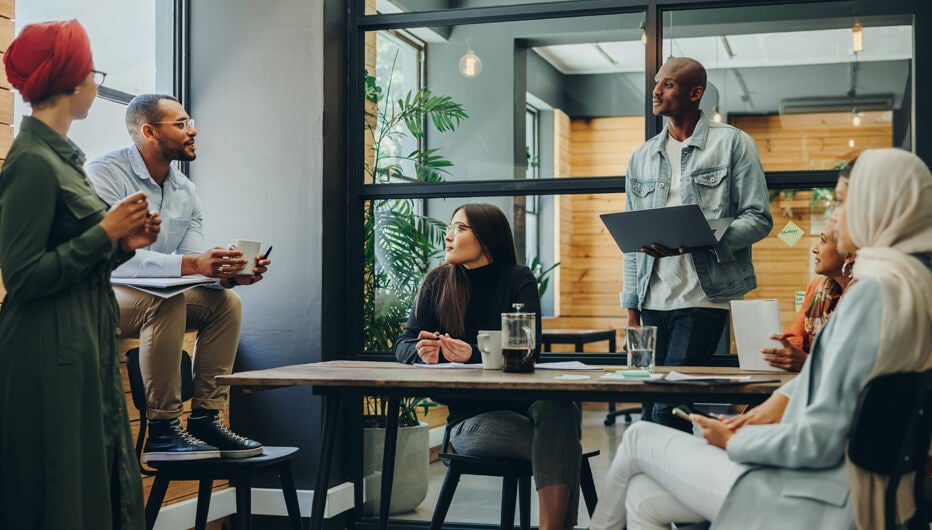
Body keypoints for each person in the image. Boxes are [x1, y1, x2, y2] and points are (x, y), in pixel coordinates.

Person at [589, 147, 932, 530]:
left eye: (842, 203)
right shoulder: (913, 286)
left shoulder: (872, 294)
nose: (835, 219)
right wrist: (774, 406)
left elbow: (818, 440)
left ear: (878, 206)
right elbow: (844, 393)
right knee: (643, 498)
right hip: (858, 493)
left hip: (813, 494)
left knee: (637, 436)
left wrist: (732, 441)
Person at [0, 20, 160, 529]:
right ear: (71, 81)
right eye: (92, 72)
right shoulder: (30, 163)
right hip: (48, 352)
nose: (96, 82)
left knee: (98, 480)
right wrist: (105, 231)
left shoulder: (67, 161)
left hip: (83, 340)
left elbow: (74, 258)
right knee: (63, 490)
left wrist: (121, 243)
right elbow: (22, 276)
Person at [86, 94, 271, 462]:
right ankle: (163, 429)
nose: (193, 130)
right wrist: (194, 265)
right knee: (164, 300)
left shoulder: (185, 191)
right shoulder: (104, 174)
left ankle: (205, 417)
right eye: (182, 124)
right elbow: (111, 259)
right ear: (149, 131)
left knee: (225, 304)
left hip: (151, 293)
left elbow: (187, 263)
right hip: (97, 294)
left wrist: (227, 276)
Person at [395, 204, 582, 530]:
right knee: (564, 446)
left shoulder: (518, 279)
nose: (449, 236)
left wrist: (474, 355)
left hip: (526, 409)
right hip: (471, 421)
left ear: (487, 239)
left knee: (559, 408)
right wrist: (423, 352)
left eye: (460, 228)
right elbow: (403, 345)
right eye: (450, 228)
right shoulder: (437, 283)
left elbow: (527, 346)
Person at [622, 57, 772, 431]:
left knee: (668, 407)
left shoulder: (733, 144)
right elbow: (631, 242)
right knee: (652, 407)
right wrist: (631, 310)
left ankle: (678, 483)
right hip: (651, 299)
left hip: (703, 297)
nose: (656, 90)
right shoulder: (641, 157)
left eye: (668, 84)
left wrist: (697, 243)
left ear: (695, 93)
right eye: (657, 83)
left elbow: (758, 218)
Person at [761, 214, 855, 371]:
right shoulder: (817, 288)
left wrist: (807, 362)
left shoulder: (866, 297)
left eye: (823, 241)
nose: (815, 249)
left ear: (849, 255)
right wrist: (780, 348)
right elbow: (796, 337)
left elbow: (856, 364)